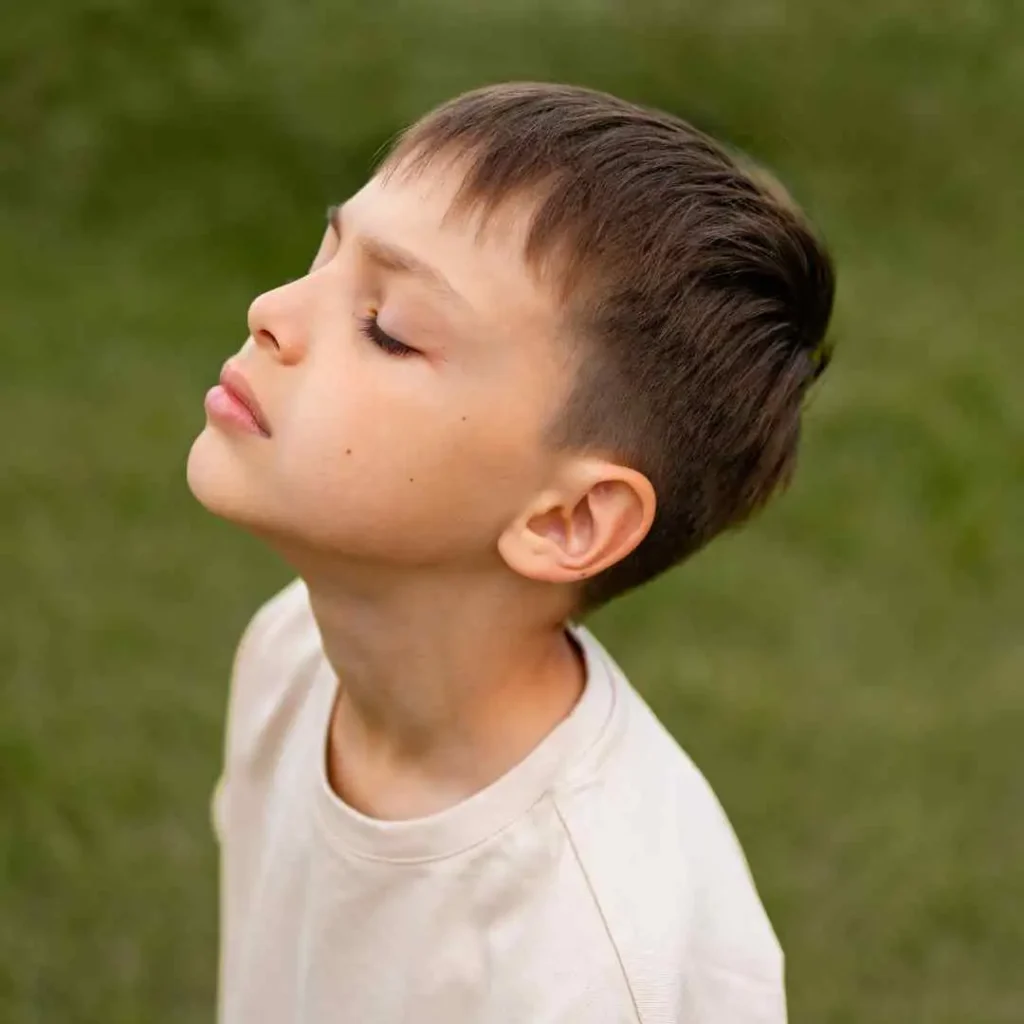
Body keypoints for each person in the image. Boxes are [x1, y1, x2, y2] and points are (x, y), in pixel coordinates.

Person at [186, 81, 835, 1024]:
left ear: (567, 519)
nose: (270, 311)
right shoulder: (294, 651)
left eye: (387, 329)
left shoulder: (591, 963)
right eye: (324, 256)